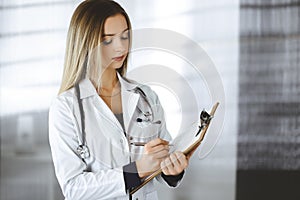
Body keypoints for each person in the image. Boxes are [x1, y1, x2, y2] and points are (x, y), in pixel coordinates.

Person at [49, 0, 195, 199]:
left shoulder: (145, 96)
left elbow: (161, 165)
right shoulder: (66, 107)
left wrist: (173, 169)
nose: (120, 47)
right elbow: (73, 188)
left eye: (125, 36)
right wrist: (137, 170)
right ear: (85, 43)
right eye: (108, 40)